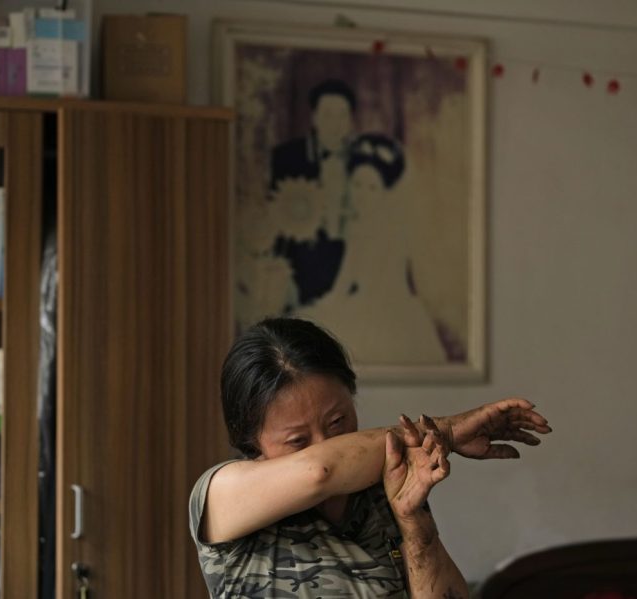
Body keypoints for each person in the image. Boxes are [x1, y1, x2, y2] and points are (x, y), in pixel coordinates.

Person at [189, 317, 552, 598]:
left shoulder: (385, 484)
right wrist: (447, 431)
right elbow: (320, 470)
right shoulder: (223, 493)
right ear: (250, 440)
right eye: (298, 440)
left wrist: (414, 525)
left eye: (338, 421)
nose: (325, 442)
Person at [298, 133, 446, 364]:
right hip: (360, 305)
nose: (362, 194)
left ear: (384, 192)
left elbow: (391, 282)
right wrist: (325, 305)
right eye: (357, 185)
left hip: (391, 311)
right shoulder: (356, 228)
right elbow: (344, 281)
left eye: (371, 187)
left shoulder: (394, 231)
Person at [268, 78, 358, 307]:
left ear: (350, 121)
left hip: (350, 259)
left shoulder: (361, 159)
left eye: (342, 115)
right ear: (314, 118)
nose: (335, 124)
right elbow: (276, 214)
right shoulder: (288, 157)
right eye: (328, 114)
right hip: (303, 260)